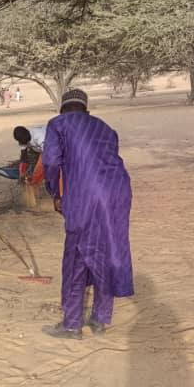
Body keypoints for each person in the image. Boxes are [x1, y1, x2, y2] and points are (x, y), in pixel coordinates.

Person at [41, 89, 133, 339]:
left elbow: (50, 162)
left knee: (76, 255)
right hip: (119, 192)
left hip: (87, 196)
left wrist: (54, 193)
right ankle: (101, 319)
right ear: (85, 109)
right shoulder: (104, 127)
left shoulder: (57, 124)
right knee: (107, 250)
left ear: (63, 109)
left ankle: (71, 324)